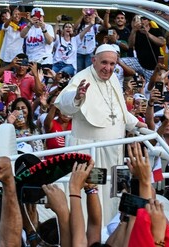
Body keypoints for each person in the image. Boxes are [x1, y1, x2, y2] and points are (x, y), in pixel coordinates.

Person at [54, 44, 146, 223]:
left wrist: (136, 124)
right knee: (93, 196)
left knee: (113, 196)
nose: (108, 68)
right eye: (104, 63)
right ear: (93, 60)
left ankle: (110, 229)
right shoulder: (82, 78)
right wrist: (78, 97)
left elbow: (118, 110)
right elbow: (64, 102)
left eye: (112, 64)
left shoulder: (112, 79)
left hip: (114, 151)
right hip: (91, 152)